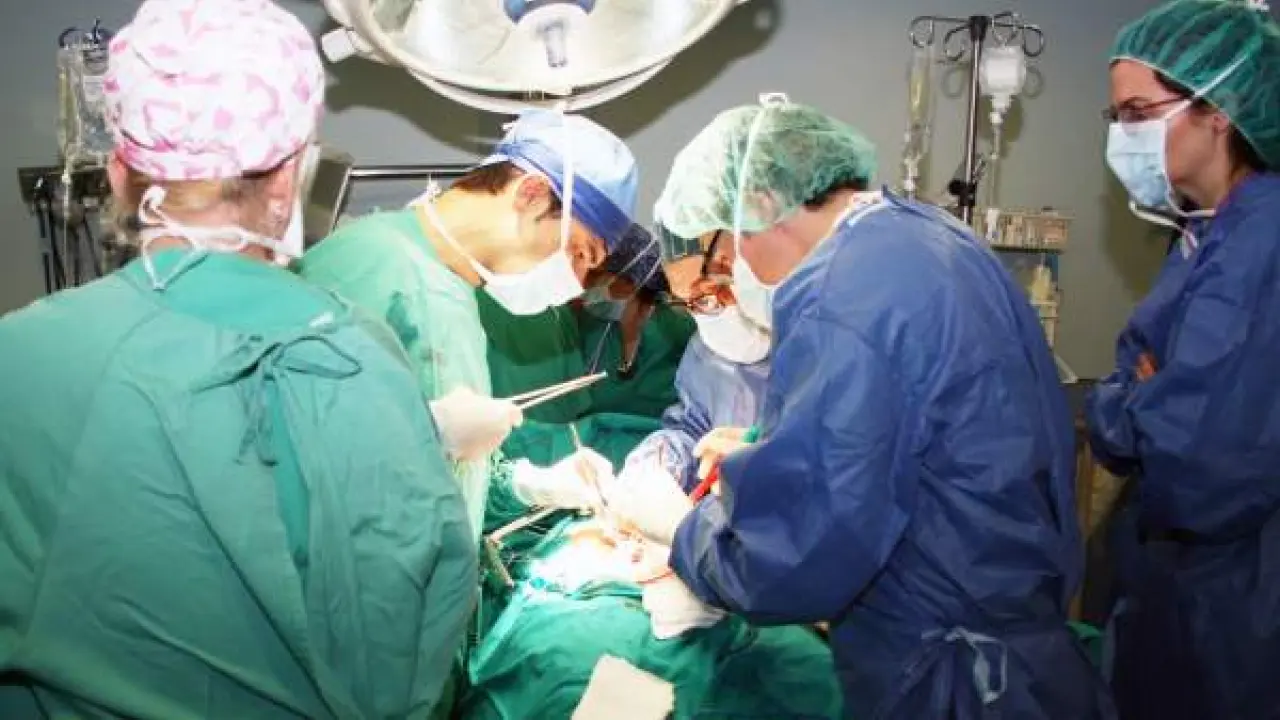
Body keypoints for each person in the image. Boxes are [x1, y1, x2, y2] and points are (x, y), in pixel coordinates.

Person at [0, 1, 477, 717]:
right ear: (289, 178)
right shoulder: (360, 359)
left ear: (121, 174)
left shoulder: (22, 359)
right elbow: (406, 653)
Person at [605, 95, 1115, 718]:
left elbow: (791, 560)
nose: (734, 276)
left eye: (723, 257)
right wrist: (774, 445)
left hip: (952, 676)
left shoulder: (837, 293)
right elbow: (921, 432)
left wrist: (684, 529)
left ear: (761, 204)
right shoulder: (932, 237)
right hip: (1016, 646)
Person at [298, 111, 639, 539]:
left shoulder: (457, 294)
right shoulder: (365, 266)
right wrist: (431, 431)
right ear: (531, 194)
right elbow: (297, 454)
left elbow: (453, 483)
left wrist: (527, 485)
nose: (576, 280)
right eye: (577, 251)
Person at [1086, 2, 1280, 718]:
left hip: (1236, 602)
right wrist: (1145, 398)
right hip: (1175, 585)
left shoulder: (1263, 240)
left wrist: (1139, 402)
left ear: (1218, 111)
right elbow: (1125, 408)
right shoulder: (1200, 235)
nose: (1124, 135)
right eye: (1116, 117)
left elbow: (1201, 461)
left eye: (1139, 113)